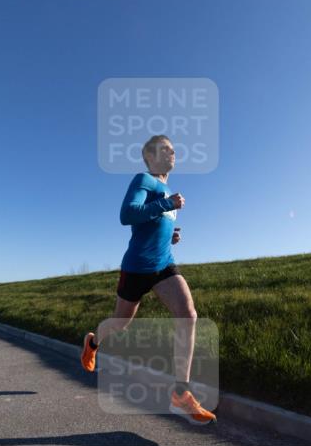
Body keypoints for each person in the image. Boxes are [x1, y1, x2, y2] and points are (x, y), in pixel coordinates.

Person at [81, 135, 216, 425]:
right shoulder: (144, 179)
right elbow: (127, 214)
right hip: (136, 268)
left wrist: (171, 236)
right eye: (166, 150)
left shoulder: (167, 191)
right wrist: (166, 203)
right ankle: (93, 342)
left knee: (188, 314)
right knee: (120, 324)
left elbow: (153, 225)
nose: (173, 153)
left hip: (164, 264)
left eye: (173, 150)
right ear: (151, 157)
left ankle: (181, 392)